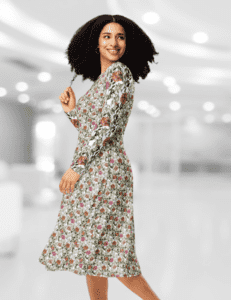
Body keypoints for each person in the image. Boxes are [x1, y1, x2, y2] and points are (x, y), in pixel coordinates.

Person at [39, 14, 160, 300]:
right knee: (93, 248)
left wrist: (77, 167)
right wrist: (73, 111)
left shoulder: (119, 73)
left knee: (113, 252)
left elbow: (105, 130)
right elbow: (92, 127)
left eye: (120, 37)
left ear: (128, 44)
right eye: (107, 36)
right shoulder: (103, 80)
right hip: (96, 166)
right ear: (95, 42)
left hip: (104, 168)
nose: (114, 42)